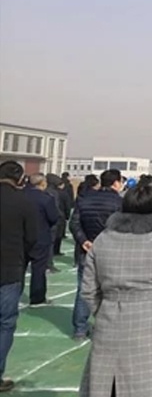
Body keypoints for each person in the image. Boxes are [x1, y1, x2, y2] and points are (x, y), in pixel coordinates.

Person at [78, 183, 152, 397]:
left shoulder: (103, 239)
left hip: (109, 320)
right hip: (151, 320)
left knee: (107, 383)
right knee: (151, 385)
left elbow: (88, 289)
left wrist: (102, 311)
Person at [69, 169, 123, 341]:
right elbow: (121, 227)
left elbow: (74, 223)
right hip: (111, 250)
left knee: (84, 289)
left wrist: (83, 240)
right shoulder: (119, 202)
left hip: (87, 249)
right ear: (116, 183)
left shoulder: (84, 199)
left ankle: (80, 328)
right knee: (112, 290)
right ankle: (107, 327)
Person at [0, 161, 38, 393]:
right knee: (5, 323)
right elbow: (32, 237)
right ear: (20, 179)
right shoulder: (24, 202)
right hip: (10, 268)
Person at [24, 174, 59, 306]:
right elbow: (53, 217)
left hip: (22, 236)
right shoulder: (46, 198)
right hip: (41, 236)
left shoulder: (21, 195)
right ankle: (37, 297)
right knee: (38, 269)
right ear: (42, 183)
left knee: (19, 269)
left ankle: (13, 294)